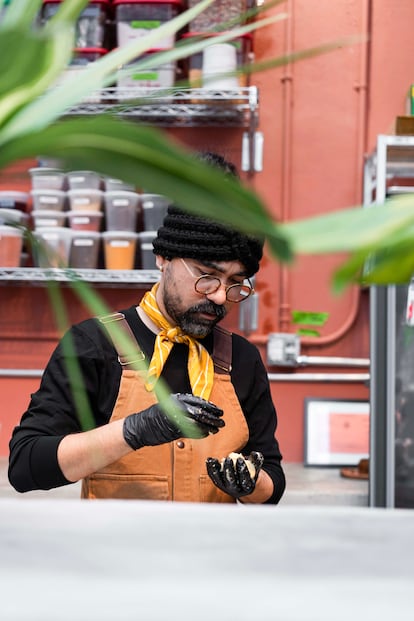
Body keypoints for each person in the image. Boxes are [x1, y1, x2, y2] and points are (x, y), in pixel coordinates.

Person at [8, 152, 286, 504]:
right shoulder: (95, 346)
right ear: (163, 258)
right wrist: (135, 430)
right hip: (115, 556)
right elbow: (25, 466)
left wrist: (250, 485)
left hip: (215, 554)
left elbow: (272, 478)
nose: (219, 297)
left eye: (236, 284)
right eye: (207, 276)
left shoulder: (241, 360)